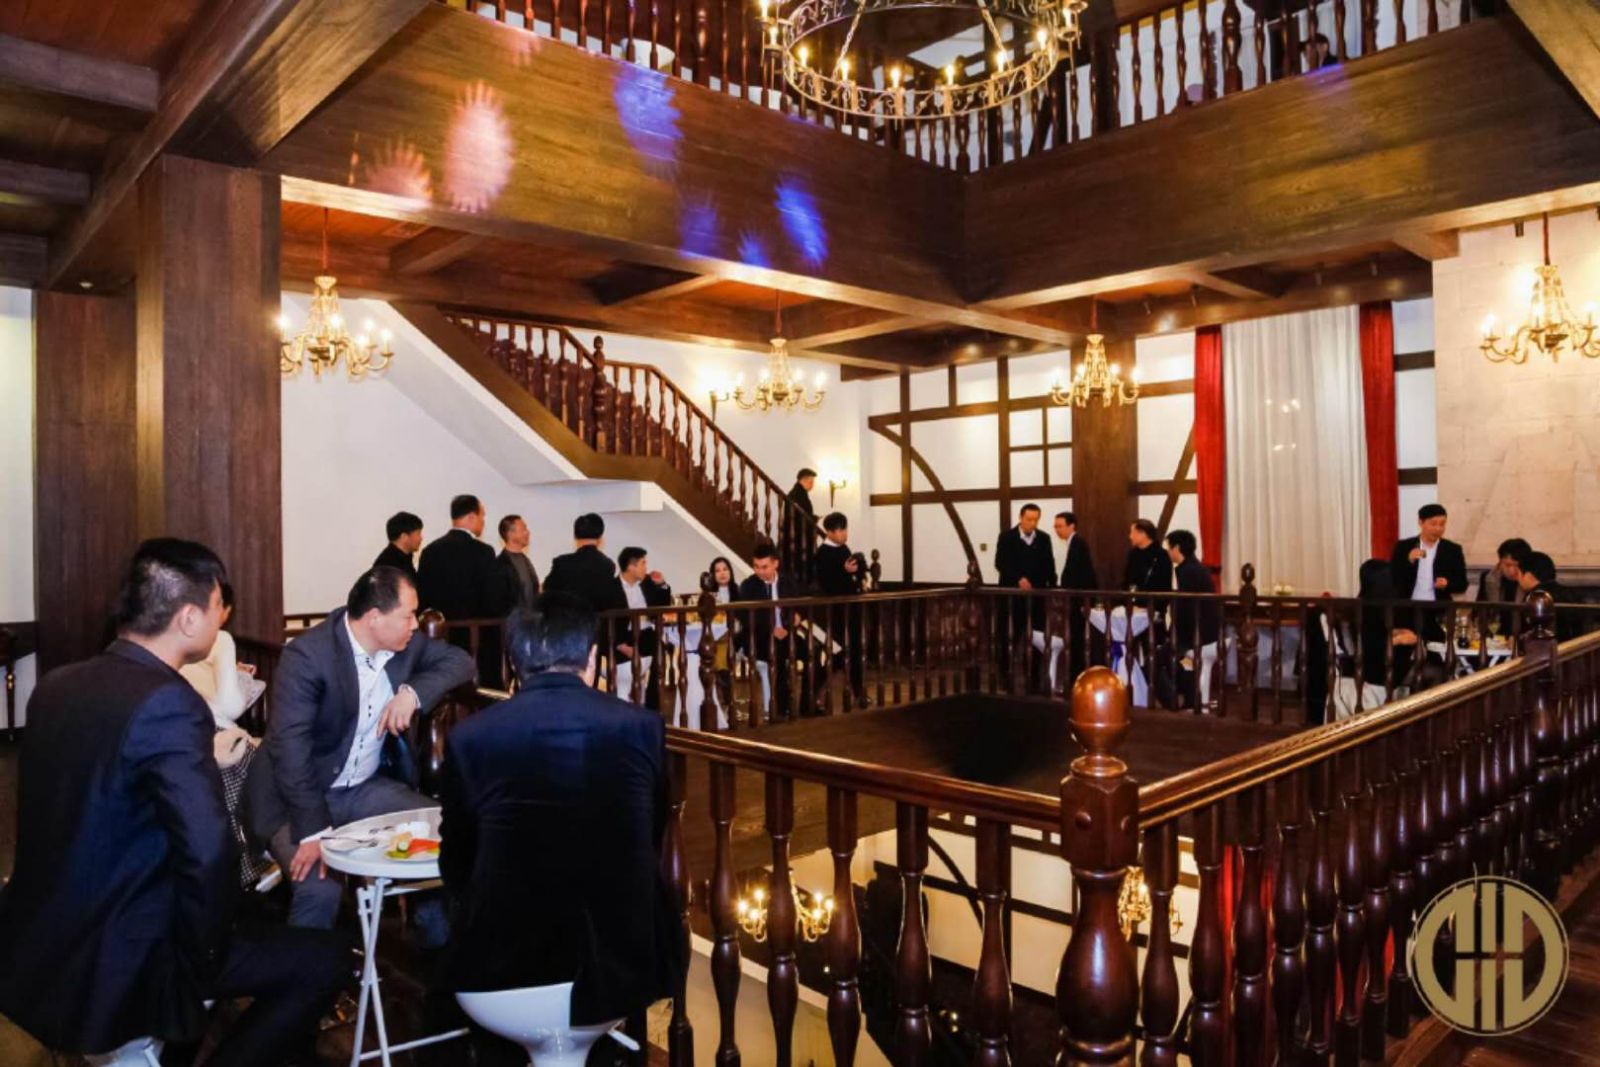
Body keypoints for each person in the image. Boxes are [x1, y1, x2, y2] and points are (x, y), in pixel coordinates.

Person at [0, 539, 347, 1066]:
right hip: (125, 947)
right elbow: (206, 850)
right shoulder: (168, 701)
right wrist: (202, 957)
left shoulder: (56, 685)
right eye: (217, 605)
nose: (222, 618)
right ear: (188, 618)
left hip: (45, 936)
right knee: (325, 961)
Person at [434, 593, 681, 1035]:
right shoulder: (642, 726)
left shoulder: (471, 736)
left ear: (513, 663)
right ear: (592, 657)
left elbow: (457, 858)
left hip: (503, 961)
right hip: (624, 958)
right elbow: (652, 833)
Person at [244, 566, 475, 930]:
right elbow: (290, 752)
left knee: (447, 832)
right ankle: (304, 964)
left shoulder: (404, 644)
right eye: (408, 615)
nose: (414, 625)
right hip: (294, 797)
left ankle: (434, 945)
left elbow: (461, 661)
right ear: (374, 618)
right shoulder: (308, 656)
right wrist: (314, 834)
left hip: (363, 788)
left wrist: (412, 694)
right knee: (319, 888)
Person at [417, 494, 502, 682]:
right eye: (482, 516)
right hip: (477, 637)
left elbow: (423, 597)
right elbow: (492, 598)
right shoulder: (483, 552)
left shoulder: (430, 551)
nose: (483, 522)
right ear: (471, 517)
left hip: (441, 637)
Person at [737, 541, 816, 720]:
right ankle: (782, 709)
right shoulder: (748, 586)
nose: (760, 571)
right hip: (760, 637)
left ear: (775, 564)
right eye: (756, 566)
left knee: (814, 652)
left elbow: (804, 603)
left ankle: (807, 704)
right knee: (778, 655)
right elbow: (745, 617)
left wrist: (798, 615)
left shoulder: (789, 581)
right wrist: (771, 628)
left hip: (787, 633)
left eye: (764, 567)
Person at [1389, 503, 1468, 640]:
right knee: (1406, 648)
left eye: (1442, 524)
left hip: (1438, 612)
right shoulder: (1403, 547)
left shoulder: (1452, 550)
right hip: (1407, 610)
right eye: (1433, 524)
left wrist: (1447, 583)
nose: (1438, 529)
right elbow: (1392, 578)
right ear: (1421, 522)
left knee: (1436, 648)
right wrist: (1408, 561)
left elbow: (1462, 584)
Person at [813, 512, 868, 704]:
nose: (844, 533)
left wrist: (858, 572)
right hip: (834, 610)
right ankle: (814, 691)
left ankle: (858, 692)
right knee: (835, 652)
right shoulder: (822, 554)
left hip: (851, 607)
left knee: (855, 650)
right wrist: (844, 571)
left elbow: (855, 574)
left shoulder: (844, 549)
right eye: (840, 530)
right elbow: (827, 582)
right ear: (829, 532)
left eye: (845, 529)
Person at [611, 546, 673, 706]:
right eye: (643, 563)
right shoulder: (612, 588)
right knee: (627, 670)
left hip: (646, 634)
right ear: (631, 566)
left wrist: (662, 584)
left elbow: (663, 604)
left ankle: (652, 705)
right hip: (623, 637)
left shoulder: (646, 583)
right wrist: (621, 645)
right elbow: (606, 623)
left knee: (660, 652)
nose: (646, 567)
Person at [1165, 530, 1219, 709]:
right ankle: (1190, 699)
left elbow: (1185, 610)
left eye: (1169, 547)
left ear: (1177, 548)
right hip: (1202, 630)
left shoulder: (1189, 571)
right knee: (1177, 657)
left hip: (1199, 633)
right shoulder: (1194, 568)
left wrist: (1172, 633)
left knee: (1161, 658)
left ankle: (1177, 701)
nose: (1168, 551)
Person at [544, 513, 626, 616]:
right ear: (600, 537)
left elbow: (548, 591)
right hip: (598, 623)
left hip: (569, 622)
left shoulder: (562, 563)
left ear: (575, 536)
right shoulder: (608, 565)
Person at [1053, 511, 1097, 680]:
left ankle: (1077, 675)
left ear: (1071, 526)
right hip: (1076, 598)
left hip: (1079, 599)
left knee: (1077, 638)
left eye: (1060, 526)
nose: (1057, 530)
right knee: (1075, 637)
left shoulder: (1078, 543)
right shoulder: (1074, 543)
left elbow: (1081, 574)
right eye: (1055, 527)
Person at [1518, 551, 1579, 641]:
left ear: (1528, 575)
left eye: (1518, 574)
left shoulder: (1533, 598)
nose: (1518, 579)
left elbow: (1528, 635)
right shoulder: (1569, 593)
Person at [495, 514, 541, 613]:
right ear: (511, 534)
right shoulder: (500, 564)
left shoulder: (525, 560)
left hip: (532, 618)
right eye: (524, 529)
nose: (528, 532)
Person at [1123, 519, 1173, 594]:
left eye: (1133, 533)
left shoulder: (1161, 555)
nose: (1130, 536)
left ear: (1143, 534)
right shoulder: (1133, 554)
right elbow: (1127, 578)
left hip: (1152, 599)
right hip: (1132, 598)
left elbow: (1164, 585)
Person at [374, 511, 424, 580]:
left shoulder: (403, 558)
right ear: (404, 537)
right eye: (418, 534)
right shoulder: (389, 566)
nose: (421, 538)